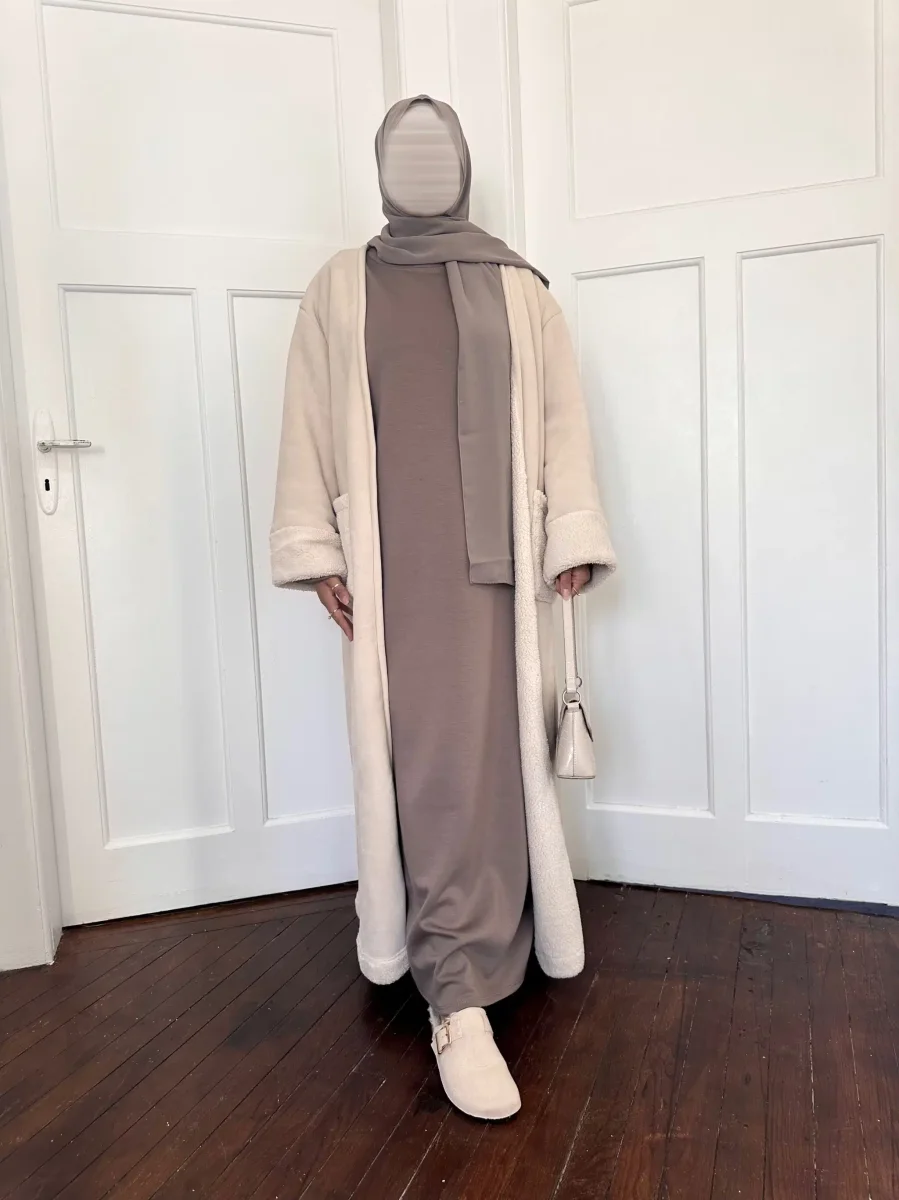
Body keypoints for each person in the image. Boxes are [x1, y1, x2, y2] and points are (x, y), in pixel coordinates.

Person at [270, 94, 616, 1119]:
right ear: (381, 167)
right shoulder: (340, 288)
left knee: (494, 759)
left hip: (505, 567)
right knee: (423, 763)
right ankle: (455, 993)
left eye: (438, 153)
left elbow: (558, 418)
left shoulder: (519, 288)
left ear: (460, 167)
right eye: (404, 153)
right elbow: (306, 423)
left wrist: (570, 538)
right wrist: (317, 554)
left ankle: (499, 937)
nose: (422, 169)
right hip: (397, 572)